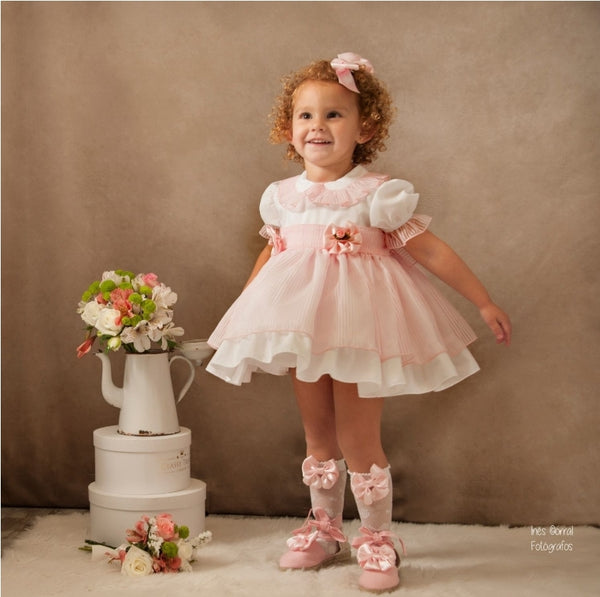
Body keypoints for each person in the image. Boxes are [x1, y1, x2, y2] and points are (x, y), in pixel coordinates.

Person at [206, 52, 511, 593]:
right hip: (303, 328)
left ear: (364, 128)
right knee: (317, 434)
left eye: (334, 114)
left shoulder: (378, 195)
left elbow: (430, 251)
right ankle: (325, 529)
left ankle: (376, 538)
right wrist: (246, 312)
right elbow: (273, 257)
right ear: (288, 129)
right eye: (305, 115)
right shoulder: (282, 198)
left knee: (358, 436)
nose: (317, 126)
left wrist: (482, 300)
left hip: (360, 330)